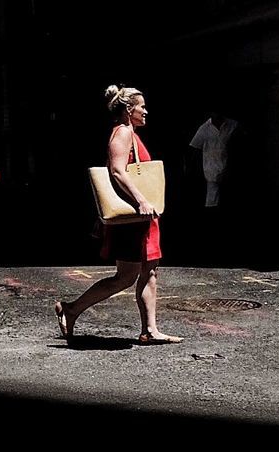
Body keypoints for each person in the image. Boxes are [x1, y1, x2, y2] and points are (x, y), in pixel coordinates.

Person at [54, 85, 183, 345]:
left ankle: (149, 330)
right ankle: (71, 309)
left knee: (149, 271)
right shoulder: (123, 133)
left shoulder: (130, 133)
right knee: (126, 276)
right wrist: (142, 200)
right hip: (133, 217)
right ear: (128, 109)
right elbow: (117, 171)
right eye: (141, 106)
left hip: (141, 216)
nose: (146, 111)